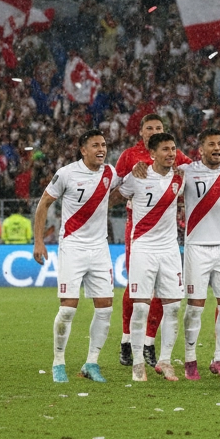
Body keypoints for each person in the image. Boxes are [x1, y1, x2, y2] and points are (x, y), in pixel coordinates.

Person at [33, 129, 121, 383]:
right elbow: (44, 204)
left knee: (105, 309)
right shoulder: (67, 173)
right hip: (72, 246)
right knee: (68, 309)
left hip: (100, 248)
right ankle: (58, 362)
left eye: (103, 145)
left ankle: (91, 363)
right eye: (95, 145)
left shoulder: (110, 172)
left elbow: (117, 191)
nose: (101, 149)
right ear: (83, 150)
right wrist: (39, 240)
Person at [115, 114, 191, 368]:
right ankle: (127, 339)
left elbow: (196, 171)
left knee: (164, 291)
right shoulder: (129, 156)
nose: (154, 131)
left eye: (159, 127)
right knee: (136, 289)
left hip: (167, 231)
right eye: (149, 128)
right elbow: (115, 185)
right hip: (137, 229)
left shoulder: (173, 154)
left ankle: (149, 342)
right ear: (141, 133)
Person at [180, 128, 220, 381]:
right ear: (200, 149)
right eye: (211, 144)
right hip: (196, 248)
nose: (217, 148)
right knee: (195, 307)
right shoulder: (187, 172)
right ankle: (190, 360)